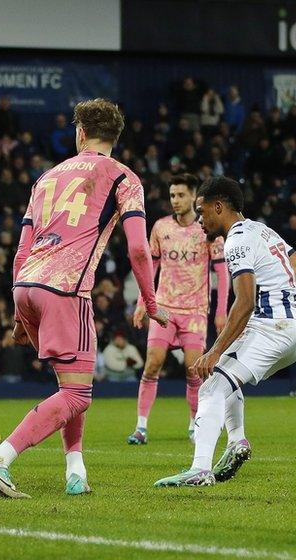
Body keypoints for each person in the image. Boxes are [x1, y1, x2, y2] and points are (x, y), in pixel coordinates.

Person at [0, 98, 168, 498]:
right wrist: (150, 299)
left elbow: (21, 249)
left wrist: (16, 311)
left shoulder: (46, 177)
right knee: (77, 393)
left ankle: (75, 470)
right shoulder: (123, 177)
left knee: (71, 385)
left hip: (26, 285)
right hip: (66, 288)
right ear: (116, 136)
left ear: (80, 133)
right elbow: (138, 250)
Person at [156, 178, 296, 488]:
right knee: (224, 377)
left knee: (211, 386)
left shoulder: (236, 241)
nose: (200, 220)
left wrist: (215, 349)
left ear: (220, 207)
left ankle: (200, 469)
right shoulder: (263, 231)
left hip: (271, 328)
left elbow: (244, 303)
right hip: (293, 332)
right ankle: (237, 441)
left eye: (202, 212)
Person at [128, 175, 229, 445]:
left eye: (181, 195)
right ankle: (141, 427)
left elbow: (222, 272)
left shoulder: (206, 229)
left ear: (193, 197)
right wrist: (142, 304)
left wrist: (221, 311)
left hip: (195, 310)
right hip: (164, 309)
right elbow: (150, 269)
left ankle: (194, 426)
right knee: (152, 363)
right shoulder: (160, 227)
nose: (175, 201)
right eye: (172, 195)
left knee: (193, 369)